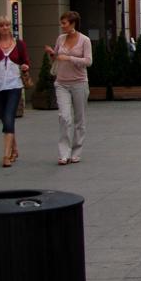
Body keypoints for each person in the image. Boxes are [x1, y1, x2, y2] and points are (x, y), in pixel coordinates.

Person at [45, 11, 92, 165]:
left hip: (79, 82)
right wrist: (52, 54)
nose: (62, 26)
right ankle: (64, 153)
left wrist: (70, 58)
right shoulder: (60, 38)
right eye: (62, 22)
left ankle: (76, 151)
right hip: (62, 83)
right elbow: (57, 57)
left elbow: (88, 61)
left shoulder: (84, 40)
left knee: (80, 118)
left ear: (73, 23)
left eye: (64, 23)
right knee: (64, 117)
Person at [0, 17, 29, 167]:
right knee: (3, 117)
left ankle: (6, 155)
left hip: (14, 85)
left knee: (9, 117)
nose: (5, 27)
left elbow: (25, 61)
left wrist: (25, 67)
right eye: (1, 25)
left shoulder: (19, 44)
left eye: (7, 25)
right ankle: (14, 149)